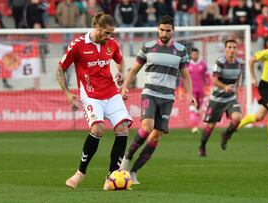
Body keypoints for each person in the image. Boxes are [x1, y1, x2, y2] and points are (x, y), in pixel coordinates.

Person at [57, 13, 132, 190]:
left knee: (123, 129)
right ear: (97, 28)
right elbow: (60, 69)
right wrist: (68, 94)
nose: (109, 37)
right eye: (106, 33)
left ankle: (112, 176)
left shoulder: (111, 43)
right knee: (97, 129)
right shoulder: (78, 45)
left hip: (111, 92)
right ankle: (80, 173)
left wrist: (120, 75)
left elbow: (120, 61)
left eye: (111, 33)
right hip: (91, 95)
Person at [118, 15, 196, 184]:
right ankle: (126, 159)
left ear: (173, 31)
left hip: (168, 97)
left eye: (168, 30)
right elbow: (133, 71)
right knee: (147, 127)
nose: (164, 33)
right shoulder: (147, 47)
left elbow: (186, 76)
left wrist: (190, 94)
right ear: (158, 29)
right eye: (162, 30)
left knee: (156, 136)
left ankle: (133, 172)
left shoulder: (181, 50)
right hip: (150, 93)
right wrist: (124, 87)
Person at [198, 39, 244, 156]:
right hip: (217, 99)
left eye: (234, 47)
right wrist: (224, 87)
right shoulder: (220, 62)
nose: (232, 50)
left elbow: (238, 79)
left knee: (237, 117)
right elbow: (214, 80)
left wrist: (236, 92)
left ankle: (226, 135)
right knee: (210, 126)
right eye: (229, 47)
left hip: (231, 98)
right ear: (225, 49)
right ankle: (202, 146)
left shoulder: (240, 63)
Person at [186, 47, 210, 134]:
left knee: (198, 110)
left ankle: (195, 124)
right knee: (192, 107)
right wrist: (181, 88)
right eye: (193, 54)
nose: (194, 55)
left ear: (198, 54)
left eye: (196, 54)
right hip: (191, 91)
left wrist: (209, 86)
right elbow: (183, 78)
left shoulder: (203, 65)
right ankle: (194, 126)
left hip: (201, 90)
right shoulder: (188, 65)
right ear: (191, 55)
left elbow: (207, 77)